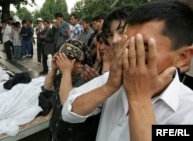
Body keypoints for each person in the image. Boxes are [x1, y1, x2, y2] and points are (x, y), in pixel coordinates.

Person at [62, 1, 193, 141]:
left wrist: (139, 98)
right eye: (126, 45)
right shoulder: (115, 78)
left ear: (182, 57)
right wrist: (108, 87)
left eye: (144, 48)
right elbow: (69, 112)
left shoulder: (187, 110)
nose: (128, 55)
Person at [42, 38, 100, 141]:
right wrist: (53, 69)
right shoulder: (62, 76)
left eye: (66, 59)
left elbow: (68, 104)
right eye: (61, 57)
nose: (61, 62)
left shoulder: (86, 82)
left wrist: (66, 71)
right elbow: (47, 88)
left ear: (79, 63)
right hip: (56, 132)